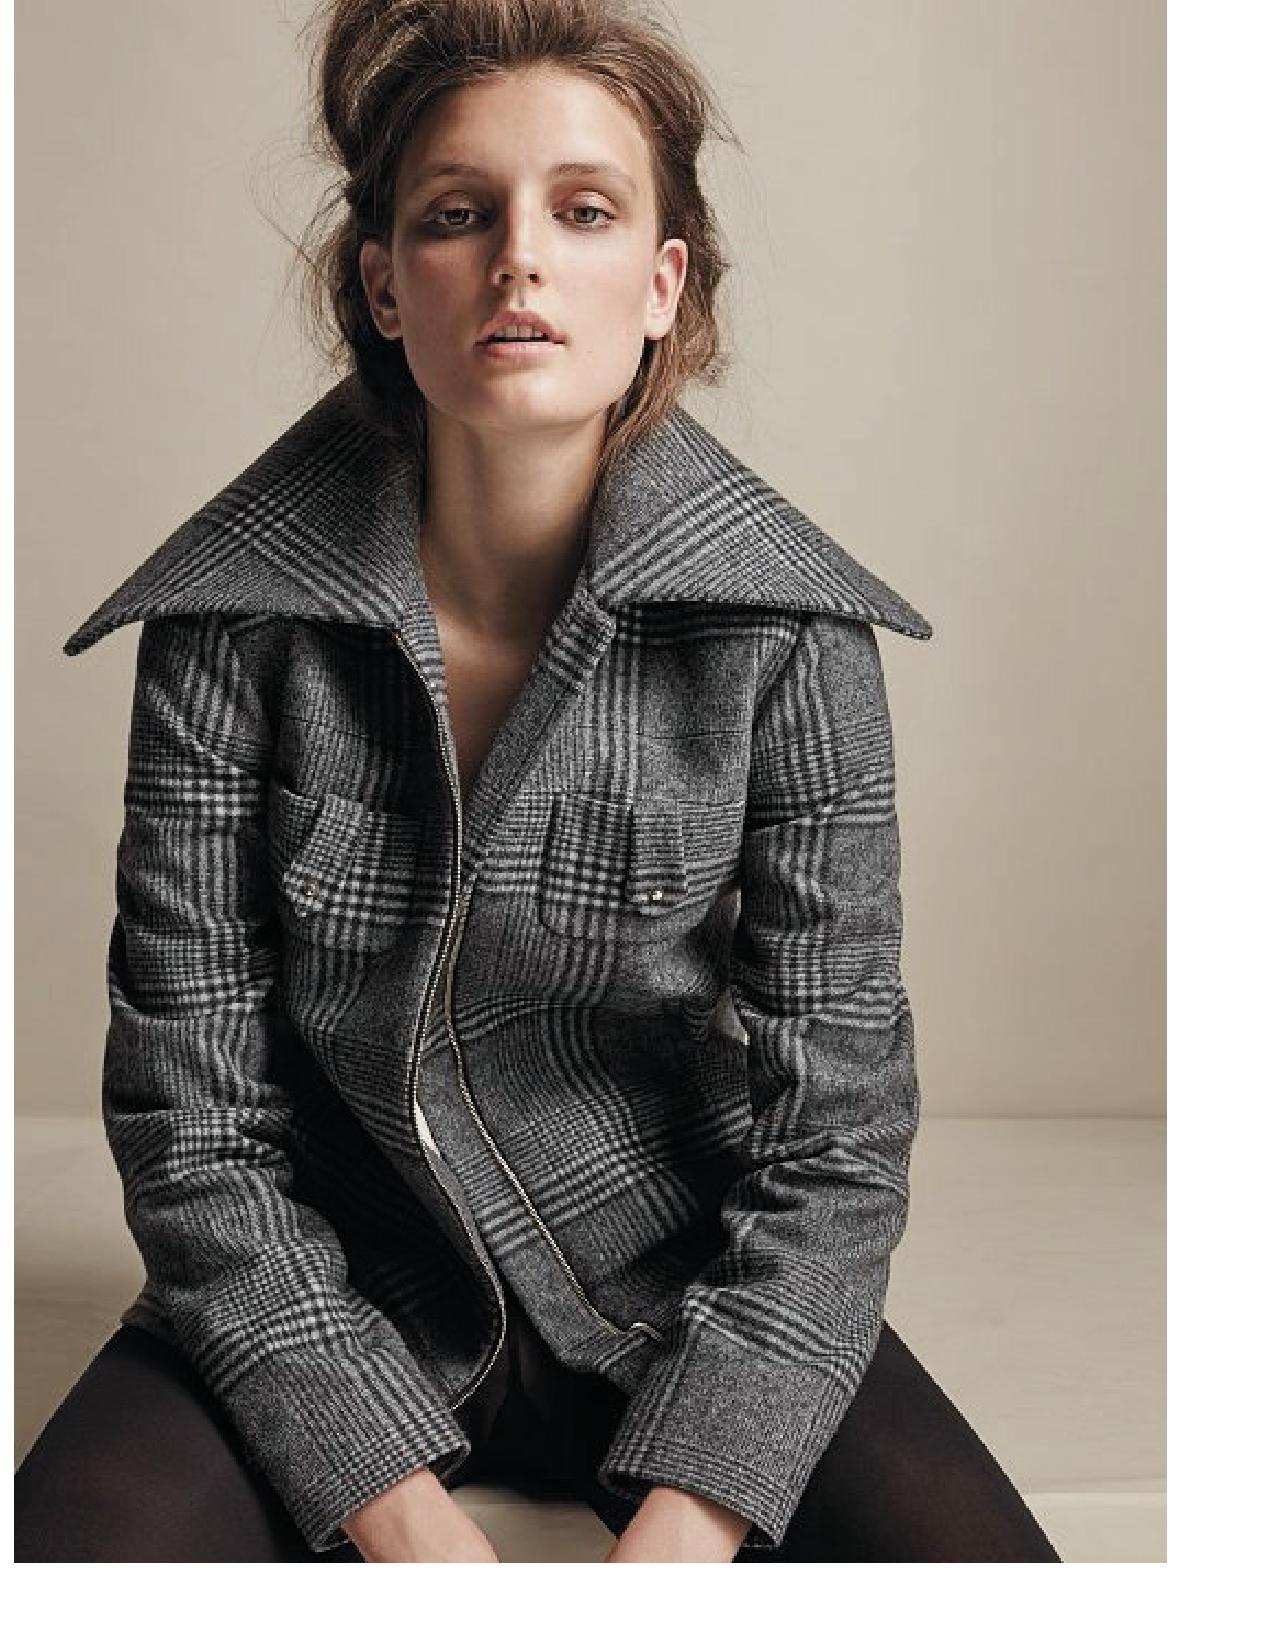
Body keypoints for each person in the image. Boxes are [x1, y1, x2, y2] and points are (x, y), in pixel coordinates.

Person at [15, 0, 1061, 1563]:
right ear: (384, 282)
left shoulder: (788, 637)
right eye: (458, 214)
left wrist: (694, 1516)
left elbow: (835, 1146)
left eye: (583, 211)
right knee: (65, 1571)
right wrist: (398, 1515)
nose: (519, 260)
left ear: (662, 283)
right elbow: (193, 1128)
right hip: (329, 1281)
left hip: (676, 1289)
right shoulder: (231, 628)